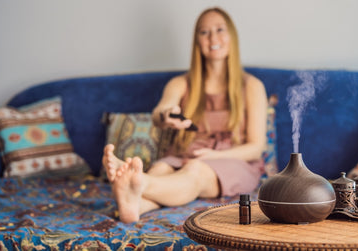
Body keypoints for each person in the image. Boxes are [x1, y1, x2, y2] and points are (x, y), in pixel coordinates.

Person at [102, 7, 268, 223]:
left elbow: (256, 147)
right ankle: (135, 206)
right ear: (197, 40)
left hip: (233, 160)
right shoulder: (180, 83)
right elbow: (160, 112)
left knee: (195, 171)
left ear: (232, 36)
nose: (213, 38)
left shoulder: (252, 86)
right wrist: (167, 115)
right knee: (161, 168)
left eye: (220, 29)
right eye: (204, 32)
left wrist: (213, 156)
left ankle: (138, 183)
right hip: (186, 154)